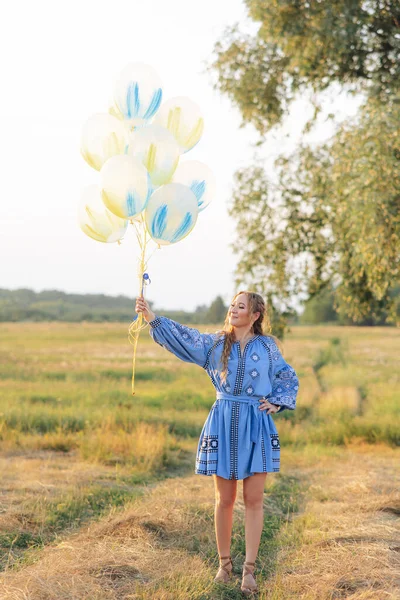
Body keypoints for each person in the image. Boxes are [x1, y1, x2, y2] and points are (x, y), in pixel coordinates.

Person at [135, 290, 299, 595]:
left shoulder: (268, 347)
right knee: (224, 500)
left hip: (255, 423)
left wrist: (276, 402)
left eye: (241, 307)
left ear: (255, 316)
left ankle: (249, 571)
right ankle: (224, 566)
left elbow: (287, 377)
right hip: (222, 422)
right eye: (232, 306)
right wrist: (150, 317)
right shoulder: (215, 343)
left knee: (254, 500)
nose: (233, 310)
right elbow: (184, 338)